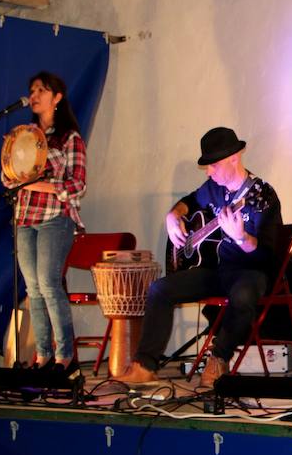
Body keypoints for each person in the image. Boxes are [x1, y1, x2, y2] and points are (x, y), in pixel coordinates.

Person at [118, 127, 282, 386]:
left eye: (213, 166)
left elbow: (266, 254)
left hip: (252, 271)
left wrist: (241, 237)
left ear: (234, 158)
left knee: (243, 295)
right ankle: (145, 364)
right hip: (218, 270)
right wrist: (173, 216)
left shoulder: (263, 195)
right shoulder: (214, 188)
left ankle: (219, 357)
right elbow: (190, 201)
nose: (209, 172)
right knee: (160, 289)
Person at [2, 71, 86, 375]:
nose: (34, 95)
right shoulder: (23, 135)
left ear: (57, 97)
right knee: (33, 288)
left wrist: (38, 184)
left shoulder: (69, 138)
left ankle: (65, 357)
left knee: (50, 285)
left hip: (55, 219)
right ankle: (42, 356)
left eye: (41, 90)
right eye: (32, 90)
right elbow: (8, 176)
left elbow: (77, 185)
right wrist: (24, 181)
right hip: (24, 218)